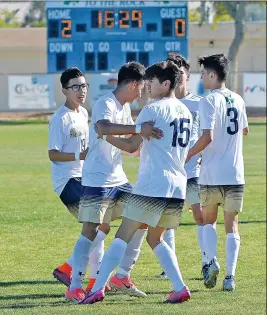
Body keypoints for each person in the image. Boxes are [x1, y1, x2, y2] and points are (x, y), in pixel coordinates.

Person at [81, 60, 192, 305]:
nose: (147, 86)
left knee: (122, 236)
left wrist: (105, 135)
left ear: (165, 84)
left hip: (153, 184)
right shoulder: (185, 111)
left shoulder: (152, 110)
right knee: (155, 238)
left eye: (151, 81)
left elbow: (132, 145)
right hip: (177, 186)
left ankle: (97, 289)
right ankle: (180, 288)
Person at [65, 62, 163, 303]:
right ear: (132, 84)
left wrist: (145, 134)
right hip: (97, 178)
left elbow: (130, 146)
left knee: (142, 218)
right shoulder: (105, 103)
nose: (142, 92)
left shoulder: (126, 107)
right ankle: (74, 286)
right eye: (141, 87)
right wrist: (139, 127)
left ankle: (122, 276)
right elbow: (102, 126)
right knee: (90, 230)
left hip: (118, 178)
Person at [186, 54, 249, 291]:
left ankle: (211, 262)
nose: (202, 79)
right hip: (235, 173)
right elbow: (244, 130)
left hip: (212, 173)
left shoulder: (208, 100)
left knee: (208, 221)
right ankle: (230, 278)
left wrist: (190, 153)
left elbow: (207, 136)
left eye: (203, 74)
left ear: (212, 75)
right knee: (231, 224)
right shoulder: (238, 99)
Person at [48, 67, 109, 293]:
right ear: (65, 90)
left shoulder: (83, 113)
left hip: (83, 178)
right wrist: (78, 156)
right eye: (76, 87)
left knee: (99, 225)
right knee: (97, 224)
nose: (81, 91)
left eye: (84, 86)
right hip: (67, 181)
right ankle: (84, 276)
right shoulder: (59, 118)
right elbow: (52, 154)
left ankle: (83, 275)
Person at [157, 54, 208, 281]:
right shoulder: (163, 105)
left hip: (194, 169)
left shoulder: (199, 103)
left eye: (181, 70)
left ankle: (208, 261)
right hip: (170, 170)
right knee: (168, 221)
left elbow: (209, 135)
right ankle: (170, 265)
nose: (178, 75)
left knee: (199, 213)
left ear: (187, 74)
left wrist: (204, 154)